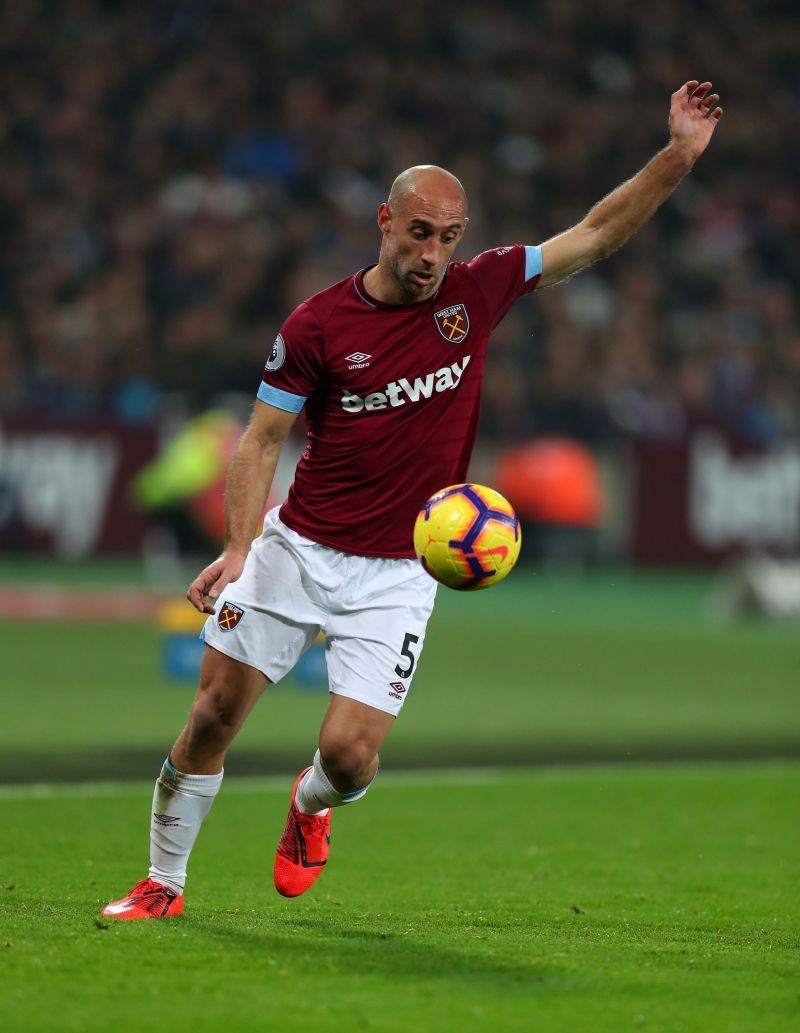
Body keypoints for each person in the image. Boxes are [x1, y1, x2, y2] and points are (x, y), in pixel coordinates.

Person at [102, 81, 722, 919]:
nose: (433, 254)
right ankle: (162, 882)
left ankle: (309, 808)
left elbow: (597, 233)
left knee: (350, 758)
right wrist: (241, 547)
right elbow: (260, 440)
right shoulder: (318, 326)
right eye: (421, 234)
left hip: (399, 571)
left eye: (449, 238)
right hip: (298, 548)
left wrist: (679, 156)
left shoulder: (480, 290)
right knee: (213, 710)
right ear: (386, 225)